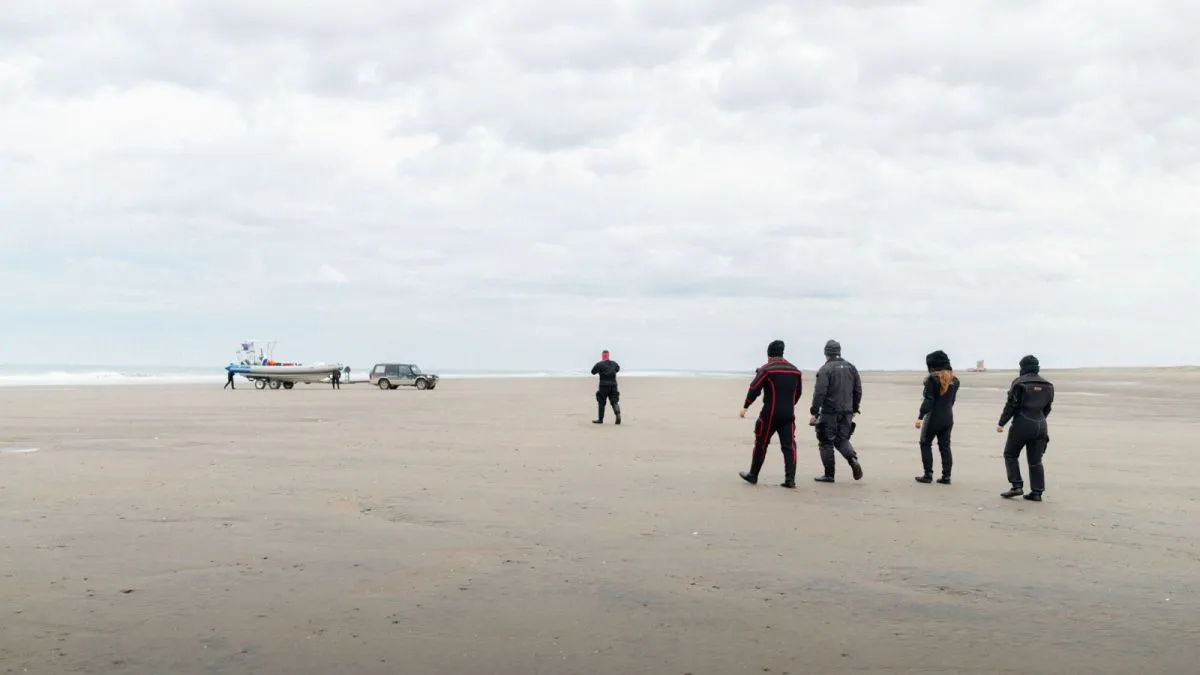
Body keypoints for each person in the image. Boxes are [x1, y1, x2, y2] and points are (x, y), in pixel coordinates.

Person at [738, 340, 803, 488]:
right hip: (788, 414)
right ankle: (790, 480)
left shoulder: (766, 370)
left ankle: (753, 475)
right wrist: (789, 405)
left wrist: (746, 406)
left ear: (769, 354)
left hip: (770, 414)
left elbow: (754, 388)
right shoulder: (795, 371)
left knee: (761, 443)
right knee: (789, 446)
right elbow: (798, 393)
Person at [997, 355, 1054, 501]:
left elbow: (1011, 405)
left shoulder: (1019, 383)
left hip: (1022, 423)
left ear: (1023, 367)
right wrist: (1040, 420)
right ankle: (1037, 492)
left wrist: (1002, 423)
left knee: (1010, 454)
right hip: (1041, 424)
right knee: (1035, 460)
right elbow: (1047, 408)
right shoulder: (1048, 385)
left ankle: (1016, 486)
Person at [808, 339, 864, 482]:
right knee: (842, 439)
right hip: (847, 411)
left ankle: (829, 474)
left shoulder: (825, 369)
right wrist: (854, 408)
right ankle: (852, 459)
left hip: (830, 412)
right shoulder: (851, 367)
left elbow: (819, 392)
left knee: (825, 441)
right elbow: (858, 390)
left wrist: (815, 412)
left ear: (826, 353)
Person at [915, 350, 959, 484]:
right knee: (945, 446)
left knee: (925, 443)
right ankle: (946, 476)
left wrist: (920, 417)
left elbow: (929, 400)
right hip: (948, 417)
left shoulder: (932, 380)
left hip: (934, 417)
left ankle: (928, 474)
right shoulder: (955, 380)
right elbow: (952, 401)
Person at [590, 350, 621, 424]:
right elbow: (617, 369)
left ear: (602, 356)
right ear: (608, 355)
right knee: (614, 401)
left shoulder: (599, 364)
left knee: (601, 402)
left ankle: (600, 419)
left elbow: (593, 372)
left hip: (603, 386)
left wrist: (600, 371)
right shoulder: (614, 363)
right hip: (613, 385)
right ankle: (618, 415)